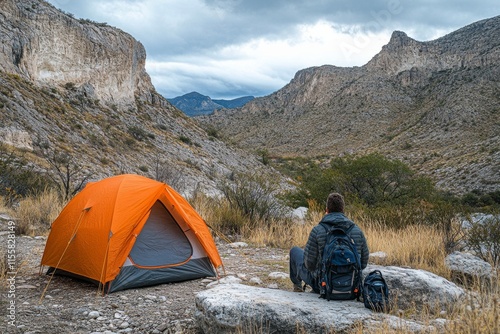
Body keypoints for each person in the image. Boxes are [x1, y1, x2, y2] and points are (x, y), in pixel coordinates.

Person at [289, 192, 369, 292]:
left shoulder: (318, 230)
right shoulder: (357, 231)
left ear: (327, 210)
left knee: (294, 251)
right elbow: (364, 263)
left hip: (322, 286)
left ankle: (297, 288)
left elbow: (309, 264)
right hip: (351, 286)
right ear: (343, 210)